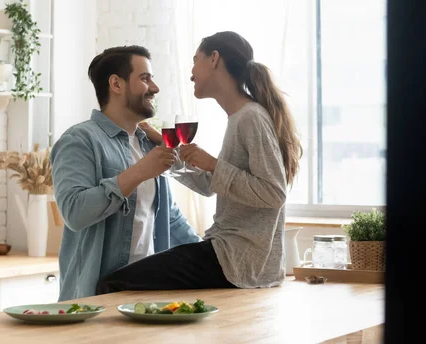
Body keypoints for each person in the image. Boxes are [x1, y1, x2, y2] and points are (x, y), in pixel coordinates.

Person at [96, 31, 303, 294]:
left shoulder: (250, 117)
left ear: (214, 59)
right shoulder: (239, 117)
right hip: (232, 255)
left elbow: (274, 193)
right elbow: (212, 186)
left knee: (112, 284)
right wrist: (168, 149)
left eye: (196, 60)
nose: (191, 72)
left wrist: (214, 164)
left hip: (236, 259)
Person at [50, 45, 201, 301]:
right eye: (145, 78)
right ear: (116, 84)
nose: (154, 88)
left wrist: (209, 257)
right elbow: (74, 212)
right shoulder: (79, 140)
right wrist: (139, 172)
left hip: (147, 295)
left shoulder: (148, 143)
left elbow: (168, 217)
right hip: (95, 300)